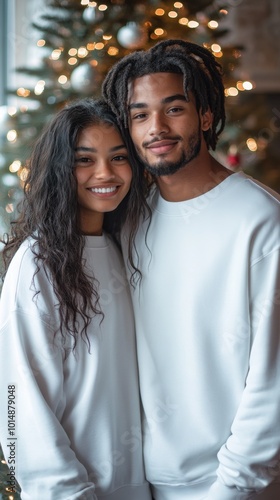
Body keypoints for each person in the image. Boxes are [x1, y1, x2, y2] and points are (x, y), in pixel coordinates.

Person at [102, 39, 280, 500]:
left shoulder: (259, 220)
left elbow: (272, 383)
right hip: (145, 482)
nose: (156, 128)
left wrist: (232, 488)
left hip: (233, 485)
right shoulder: (130, 218)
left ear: (204, 116)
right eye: (139, 115)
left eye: (173, 109)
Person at [0, 98, 152, 500]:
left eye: (118, 157)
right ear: (59, 170)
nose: (105, 173)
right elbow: (19, 407)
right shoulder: (36, 265)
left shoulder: (126, 249)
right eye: (84, 160)